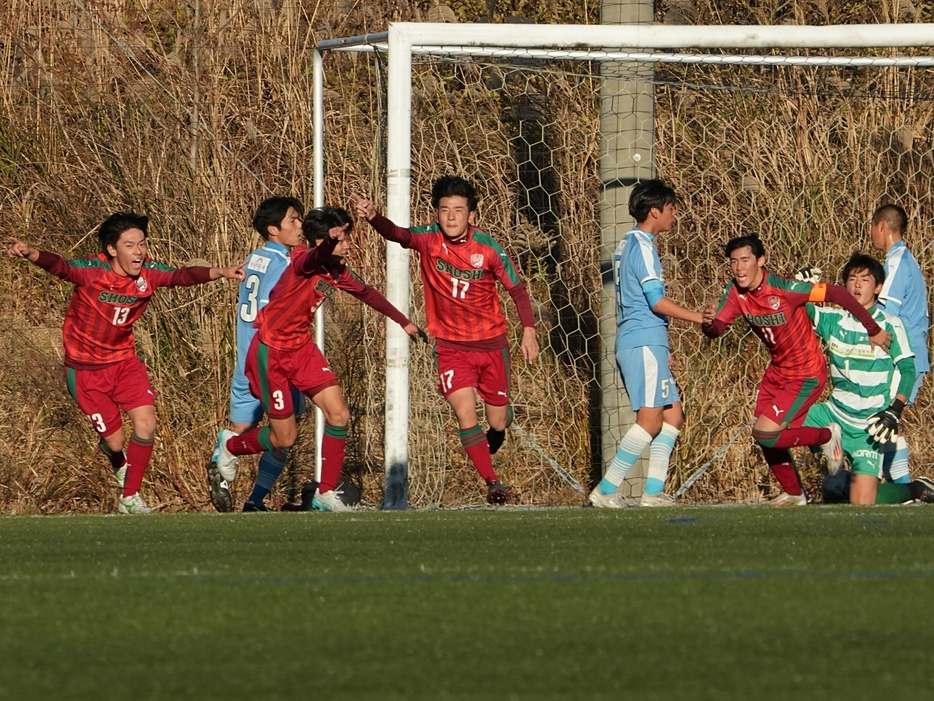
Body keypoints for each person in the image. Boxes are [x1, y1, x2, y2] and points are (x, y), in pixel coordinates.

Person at [7, 212, 245, 514]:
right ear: (112, 250)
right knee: (116, 443)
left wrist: (221, 271)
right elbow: (61, 266)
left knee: (146, 424)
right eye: (130, 245)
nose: (139, 252)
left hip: (124, 363)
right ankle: (116, 459)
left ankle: (130, 498)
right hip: (85, 371)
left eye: (142, 244)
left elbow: (180, 276)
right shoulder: (92, 271)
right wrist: (31, 253)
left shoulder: (148, 274)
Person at [214, 206, 425, 513]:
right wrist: (328, 242)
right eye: (341, 239)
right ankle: (230, 446)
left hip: (301, 350)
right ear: (320, 242)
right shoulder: (302, 259)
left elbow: (367, 293)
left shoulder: (338, 270)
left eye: (347, 237)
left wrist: (404, 321)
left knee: (338, 414)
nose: (348, 244)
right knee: (284, 438)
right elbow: (314, 257)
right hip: (270, 351)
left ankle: (324, 493)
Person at [354, 175, 539, 504]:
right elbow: (398, 234)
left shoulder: (488, 248)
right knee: (465, 413)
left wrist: (528, 330)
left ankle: (498, 430)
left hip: (492, 344)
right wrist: (373, 217)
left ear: (471, 214)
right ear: (436, 213)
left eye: (458, 209)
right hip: (451, 347)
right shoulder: (428, 239)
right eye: (444, 210)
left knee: (497, 419)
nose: (451, 216)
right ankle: (492, 482)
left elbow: (517, 289)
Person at [701, 235, 890, 506]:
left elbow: (836, 293)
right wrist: (708, 323)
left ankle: (827, 435)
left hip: (806, 372)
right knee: (765, 437)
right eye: (733, 262)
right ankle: (794, 493)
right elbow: (716, 329)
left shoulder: (785, 288)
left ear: (761, 261)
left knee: (765, 433)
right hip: (776, 372)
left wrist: (872, 329)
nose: (739, 268)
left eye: (745, 260)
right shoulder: (735, 293)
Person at [588, 179, 704, 508]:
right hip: (642, 340)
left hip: (645, 340)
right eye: (671, 208)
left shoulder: (627, 243)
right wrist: (699, 318)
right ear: (655, 211)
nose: (674, 214)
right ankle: (607, 490)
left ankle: (652, 492)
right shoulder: (643, 246)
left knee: (673, 416)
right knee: (650, 420)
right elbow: (656, 301)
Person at [802, 253, 934, 505]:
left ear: (879, 287)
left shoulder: (890, 324)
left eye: (865, 279)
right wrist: (799, 285)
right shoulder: (834, 319)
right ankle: (824, 465)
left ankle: (915, 489)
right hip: (833, 414)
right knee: (780, 423)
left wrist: (894, 411)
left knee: (863, 504)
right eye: (851, 279)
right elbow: (796, 305)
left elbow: (908, 369)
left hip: (868, 425)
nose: (857, 285)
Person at [207, 195, 307, 512]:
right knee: (286, 430)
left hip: (244, 360)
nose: (299, 225)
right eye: (292, 220)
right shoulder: (282, 265)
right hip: (270, 360)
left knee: (242, 427)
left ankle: (222, 469)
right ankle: (255, 497)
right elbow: (272, 312)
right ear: (273, 229)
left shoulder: (254, 259)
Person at [870, 204, 929, 484]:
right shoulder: (906, 259)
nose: (870, 234)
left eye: (871, 227)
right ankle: (901, 489)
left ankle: (891, 486)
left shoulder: (895, 262)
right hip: (910, 354)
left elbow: (883, 311)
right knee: (888, 422)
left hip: (903, 357)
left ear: (882, 226)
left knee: (880, 416)